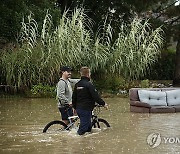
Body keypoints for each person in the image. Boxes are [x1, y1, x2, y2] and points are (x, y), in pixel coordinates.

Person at [72, 66, 108, 135]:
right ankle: (76, 142)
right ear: (88, 74)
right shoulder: (89, 85)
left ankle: (86, 143)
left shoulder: (77, 84)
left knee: (88, 128)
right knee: (83, 129)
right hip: (86, 109)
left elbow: (74, 98)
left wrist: (75, 108)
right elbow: (96, 97)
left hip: (79, 109)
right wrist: (104, 104)